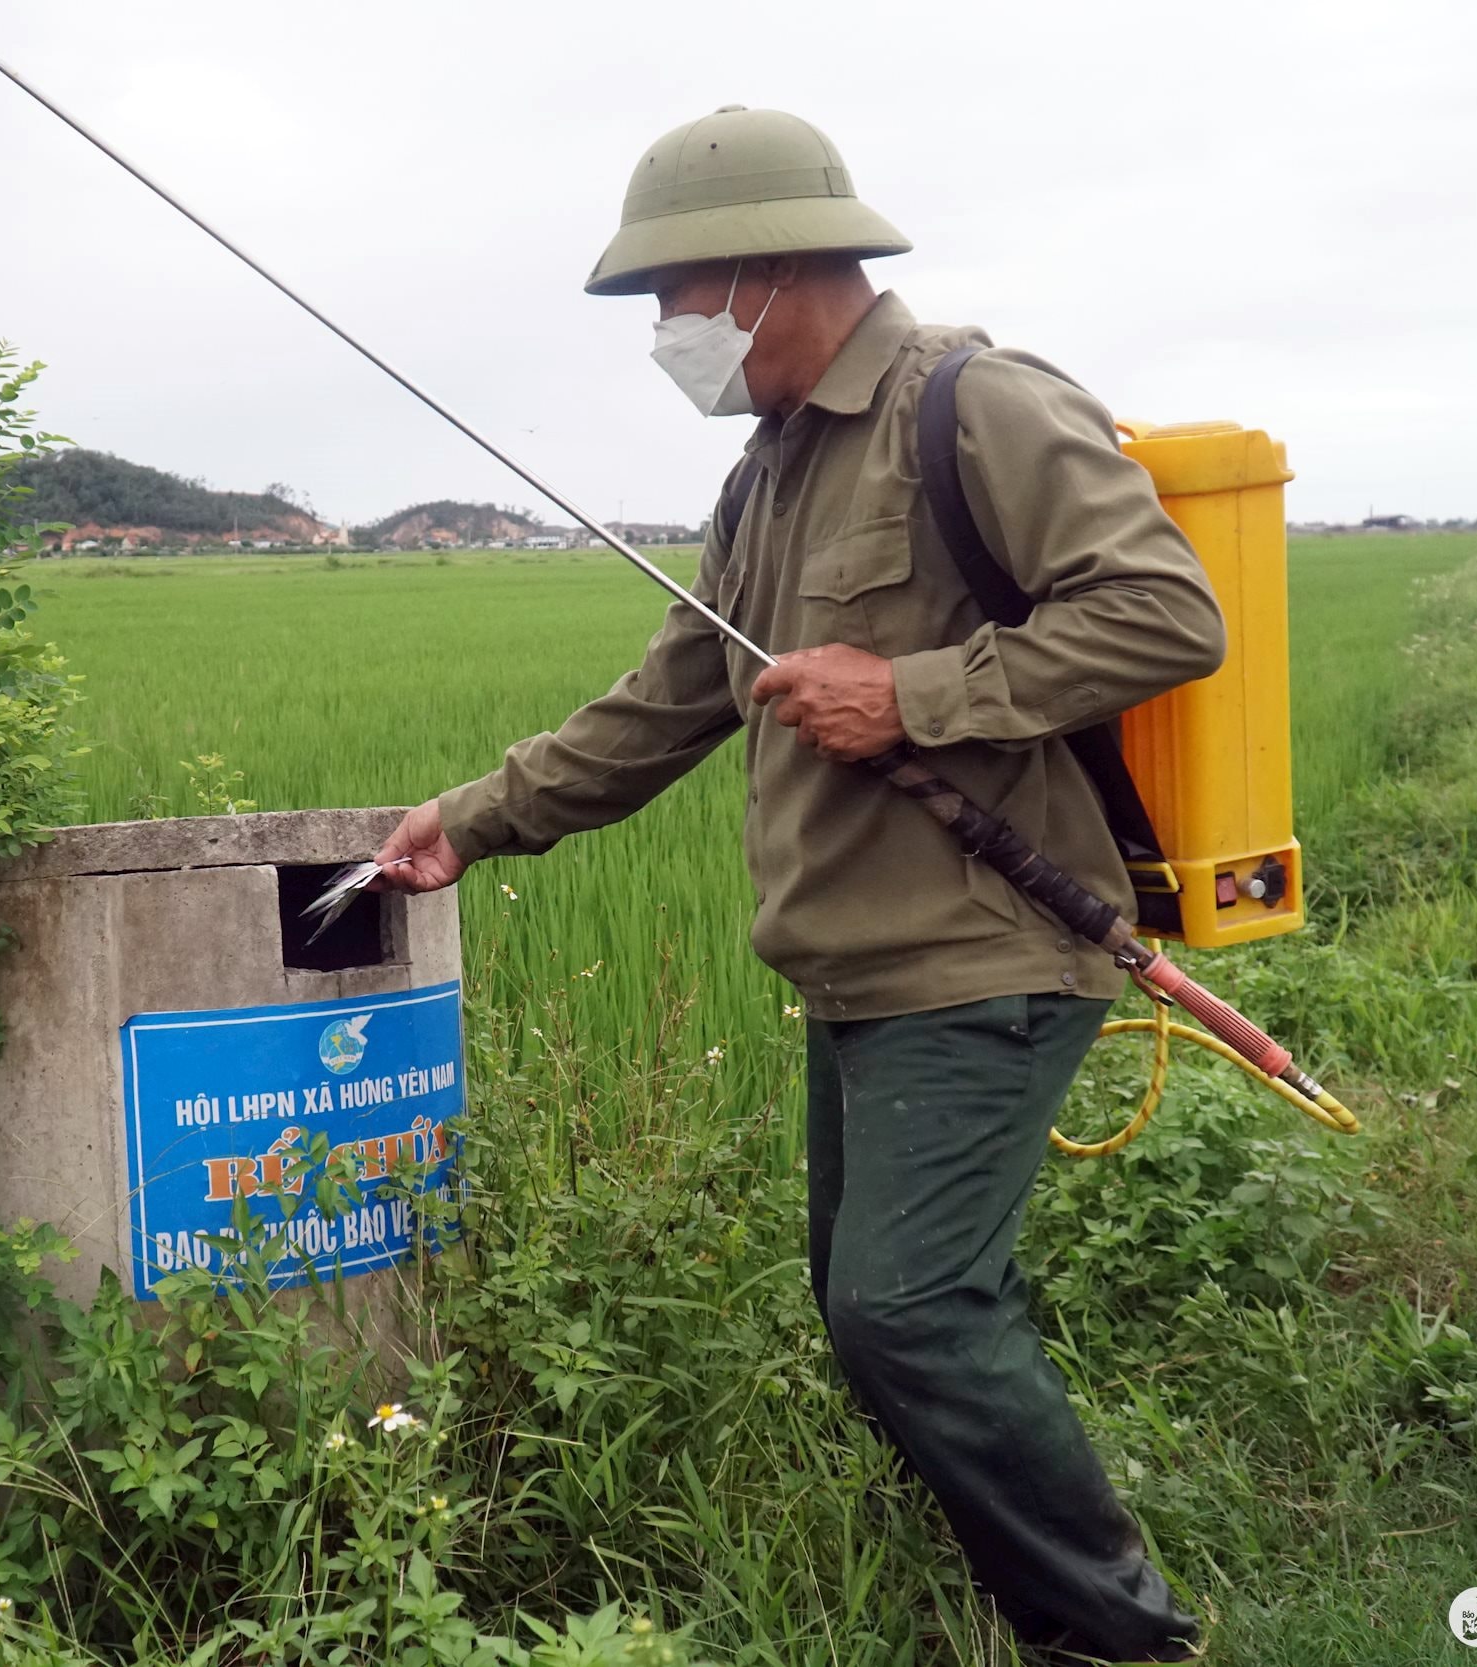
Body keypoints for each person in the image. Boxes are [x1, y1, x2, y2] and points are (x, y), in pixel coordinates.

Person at [373, 105, 1224, 1665]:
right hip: (858, 971)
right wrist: (471, 818)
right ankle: (993, 1577)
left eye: (669, 302)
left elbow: (1167, 613)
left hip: (986, 955)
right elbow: (673, 695)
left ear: (759, 270)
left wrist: (913, 694)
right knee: (887, 1314)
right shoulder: (769, 474)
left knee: (907, 1310)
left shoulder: (974, 403)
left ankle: (1118, 1640)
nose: (663, 338)